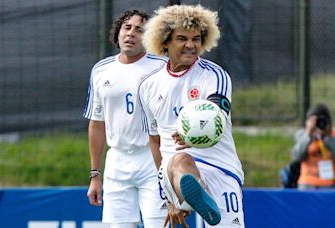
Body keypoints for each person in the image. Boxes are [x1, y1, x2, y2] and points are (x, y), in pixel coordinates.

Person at [139, 4, 245, 227]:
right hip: (174, 170)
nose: (190, 45)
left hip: (218, 167)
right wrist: (168, 197)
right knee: (181, 159)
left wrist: (192, 135)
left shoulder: (215, 75)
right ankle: (189, 192)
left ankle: (195, 197)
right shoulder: (148, 86)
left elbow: (218, 112)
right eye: (182, 38)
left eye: (196, 39)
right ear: (164, 41)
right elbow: (155, 141)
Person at [83, 9, 168, 228]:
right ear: (118, 32)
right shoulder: (101, 70)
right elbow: (97, 124)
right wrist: (95, 175)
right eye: (127, 27)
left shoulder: (161, 67)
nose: (131, 34)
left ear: (149, 38)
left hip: (152, 161)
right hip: (117, 162)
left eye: (139, 30)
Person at [291, 103, 335, 190]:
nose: (318, 124)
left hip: (331, 185)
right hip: (307, 184)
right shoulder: (302, 136)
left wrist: (327, 137)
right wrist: (308, 135)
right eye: (314, 121)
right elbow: (296, 157)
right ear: (307, 122)